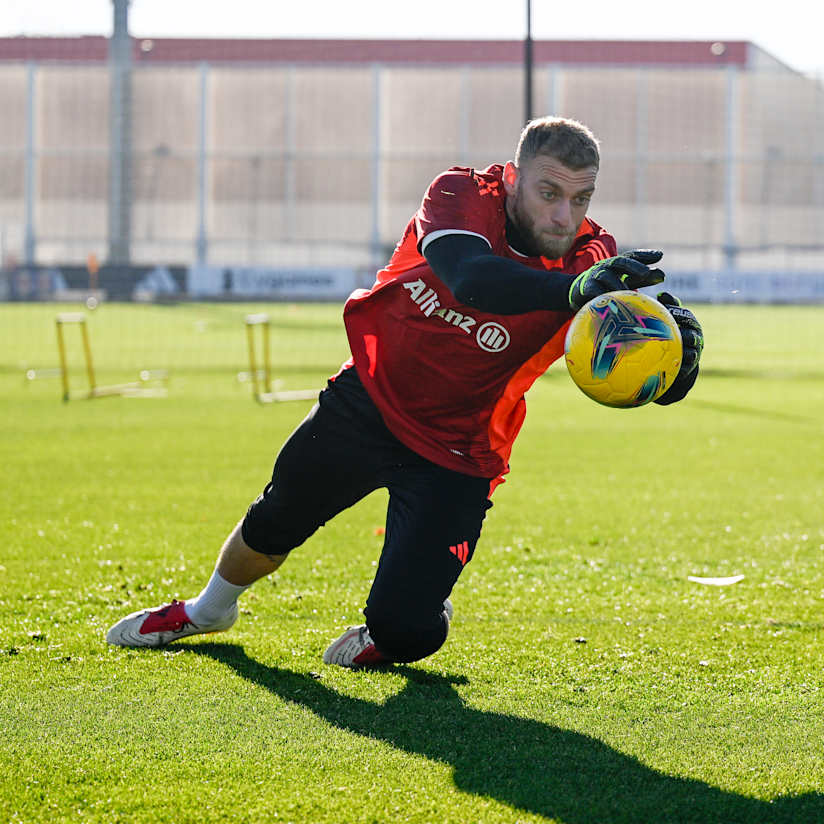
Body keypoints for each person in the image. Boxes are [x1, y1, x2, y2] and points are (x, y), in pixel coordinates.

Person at [106, 116, 703, 667]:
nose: (562, 216)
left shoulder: (589, 256)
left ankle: (407, 614)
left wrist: (672, 356)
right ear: (515, 180)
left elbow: (619, 331)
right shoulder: (461, 194)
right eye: (549, 193)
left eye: (580, 199)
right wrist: (572, 291)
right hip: (369, 399)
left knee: (408, 633)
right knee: (272, 523)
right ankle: (208, 612)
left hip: (461, 449)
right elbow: (472, 276)